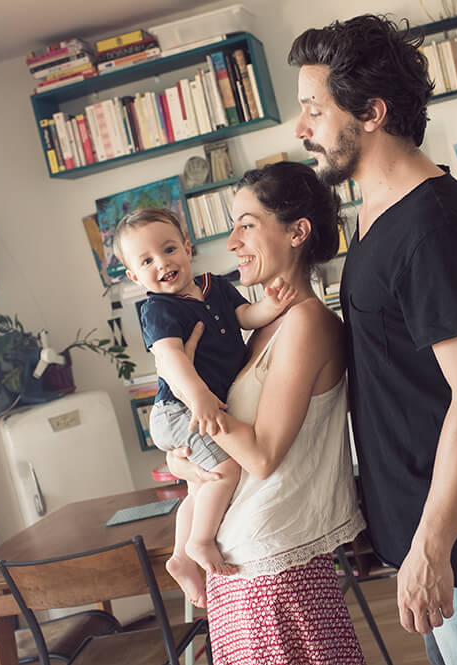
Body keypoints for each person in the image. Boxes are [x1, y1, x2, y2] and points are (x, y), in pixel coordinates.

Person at [289, 15, 457, 665]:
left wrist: (433, 545)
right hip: (423, 528)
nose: (301, 130)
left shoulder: (436, 224)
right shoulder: (374, 214)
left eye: (313, 110)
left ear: (371, 112)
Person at [165, 161, 368, 664]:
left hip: (273, 565)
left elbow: (259, 456)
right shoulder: (262, 329)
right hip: (242, 559)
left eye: (247, 224)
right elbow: (223, 440)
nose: (231, 242)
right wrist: (181, 460)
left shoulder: (306, 325)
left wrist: (195, 397)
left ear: (298, 231)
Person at [111, 207, 296, 604]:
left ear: (187, 247)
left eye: (168, 249)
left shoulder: (216, 286)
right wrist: (199, 399)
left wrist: (272, 306)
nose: (162, 263)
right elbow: (172, 359)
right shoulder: (158, 310)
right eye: (146, 261)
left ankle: (179, 559)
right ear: (133, 276)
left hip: (194, 407)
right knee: (224, 470)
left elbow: (245, 316)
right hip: (178, 409)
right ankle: (199, 542)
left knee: (198, 485)